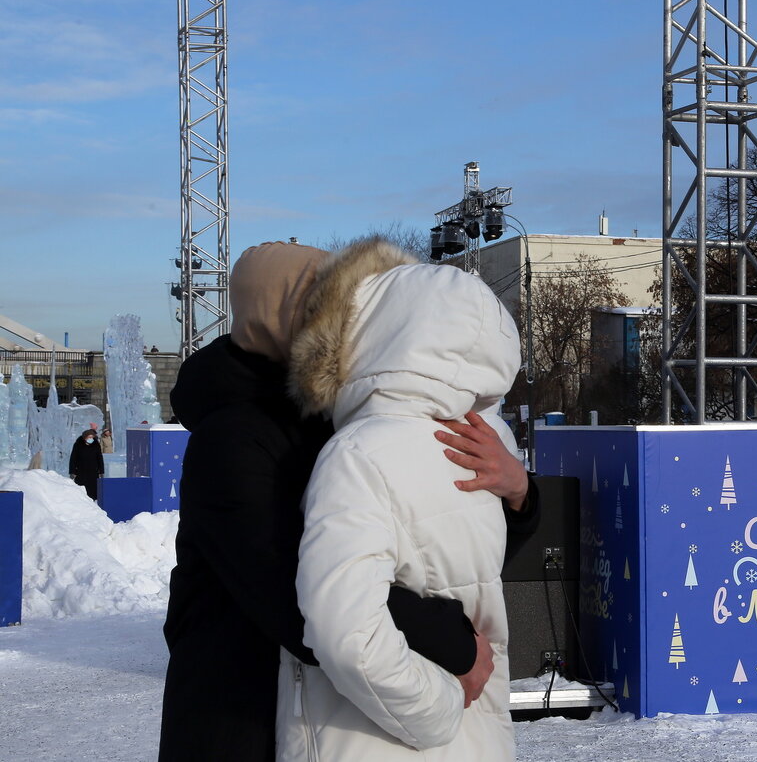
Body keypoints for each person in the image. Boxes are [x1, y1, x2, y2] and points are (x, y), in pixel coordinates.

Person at [159, 240, 538, 762]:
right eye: (345, 299)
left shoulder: (347, 415)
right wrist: (456, 643)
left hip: (329, 711)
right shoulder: (234, 439)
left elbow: (436, 551)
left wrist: (516, 491)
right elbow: (299, 595)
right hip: (243, 718)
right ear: (298, 316)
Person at [278, 240, 520, 760]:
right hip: (478, 740)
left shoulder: (356, 454)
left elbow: (348, 633)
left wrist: (439, 708)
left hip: (376, 739)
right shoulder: (485, 446)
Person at [68, 428, 104, 499]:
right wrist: (72, 472)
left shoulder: (96, 445)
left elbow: (100, 458)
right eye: (89, 437)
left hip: (93, 472)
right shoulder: (78, 445)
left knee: (93, 491)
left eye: (92, 437)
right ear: (85, 437)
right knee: (82, 491)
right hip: (81, 472)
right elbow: (73, 459)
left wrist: (101, 471)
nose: (91, 439)